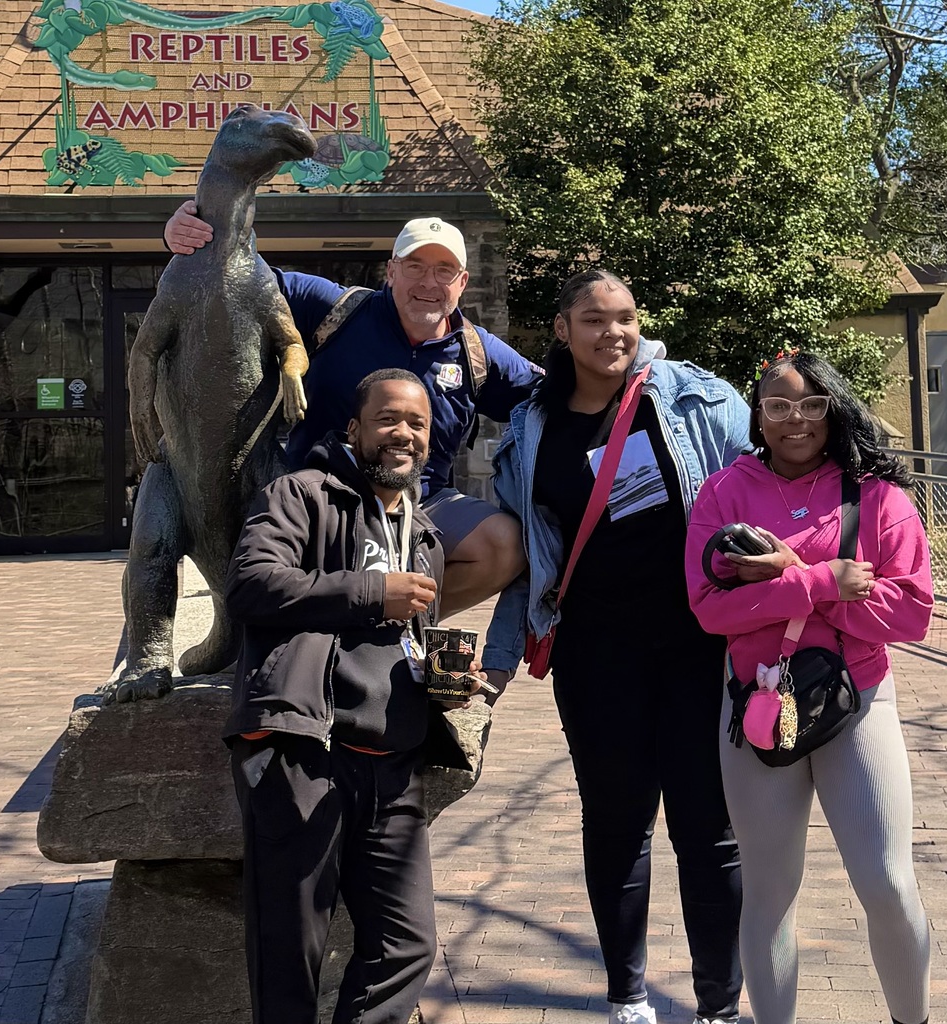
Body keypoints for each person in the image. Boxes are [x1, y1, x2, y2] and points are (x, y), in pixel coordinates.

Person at [479, 269, 750, 1024]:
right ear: (561, 329)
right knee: (617, 823)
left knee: (707, 828)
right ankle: (627, 996)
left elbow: (757, 490)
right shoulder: (532, 427)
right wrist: (500, 658)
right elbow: (533, 556)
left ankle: (717, 1005)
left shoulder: (698, 396)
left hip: (699, 645)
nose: (613, 334)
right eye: (593, 320)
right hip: (596, 652)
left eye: (625, 317)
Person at [223, 368, 487, 1024]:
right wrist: (373, 593)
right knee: (289, 952)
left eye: (417, 423)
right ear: (354, 429)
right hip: (303, 752)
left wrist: (442, 685)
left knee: (406, 946)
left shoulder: (424, 537)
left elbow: (402, 644)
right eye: (388, 419)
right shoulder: (301, 496)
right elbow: (252, 584)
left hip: (391, 769)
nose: (403, 434)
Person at [684, 351, 933, 1024]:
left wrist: (776, 587)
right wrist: (820, 581)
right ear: (756, 415)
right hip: (759, 706)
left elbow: (908, 612)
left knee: (885, 881)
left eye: (811, 405)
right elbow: (709, 610)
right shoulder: (722, 494)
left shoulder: (876, 495)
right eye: (778, 406)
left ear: (832, 409)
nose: (796, 420)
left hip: (856, 700)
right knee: (768, 892)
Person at [166, 203, 541, 619]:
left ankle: (398, 626)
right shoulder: (336, 309)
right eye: (415, 266)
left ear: (462, 283)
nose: (428, 282)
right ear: (392, 271)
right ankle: (344, 617)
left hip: (422, 505)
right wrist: (192, 235)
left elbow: (556, 394)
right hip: (322, 500)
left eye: (444, 271)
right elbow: (239, 279)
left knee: (504, 543)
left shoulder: (478, 352)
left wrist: (624, 362)